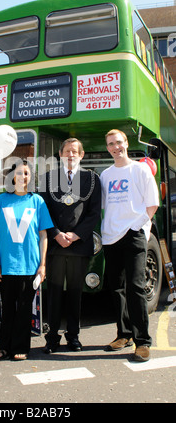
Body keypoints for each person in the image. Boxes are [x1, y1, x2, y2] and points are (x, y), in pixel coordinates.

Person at [100, 129, 159, 362]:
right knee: (116, 288)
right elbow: (103, 206)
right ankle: (123, 334)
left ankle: (142, 341)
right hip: (111, 236)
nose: (115, 147)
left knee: (135, 287)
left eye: (118, 142)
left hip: (134, 234)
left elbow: (152, 204)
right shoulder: (105, 175)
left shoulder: (141, 169)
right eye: (111, 144)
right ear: (108, 148)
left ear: (126, 143)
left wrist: (137, 227)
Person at [0, 160, 53, 360]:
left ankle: (21, 347)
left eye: (26, 173)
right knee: (7, 308)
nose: (23, 177)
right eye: (19, 173)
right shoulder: (1, 201)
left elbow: (43, 235)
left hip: (29, 265)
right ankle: (3, 346)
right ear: (11, 177)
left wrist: (42, 265)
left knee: (24, 309)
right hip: (6, 264)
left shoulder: (38, 202)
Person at [40, 138, 101, 353]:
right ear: (60, 154)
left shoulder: (92, 179)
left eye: (75, 151)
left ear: (81, 155)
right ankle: (52, 338)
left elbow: (94, 213)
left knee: (75, 293)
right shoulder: (47, 179)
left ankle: (73, 336)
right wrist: (56, 234)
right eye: (67, 151)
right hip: (55, 246)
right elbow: (43, 210)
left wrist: (76, 235)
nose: (71, 154)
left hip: (78, 245)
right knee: (54, 293)